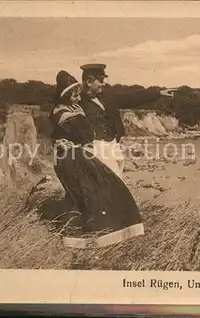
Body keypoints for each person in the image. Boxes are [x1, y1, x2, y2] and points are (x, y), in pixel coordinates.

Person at [49, 70, 145, 249]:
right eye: (75, 95)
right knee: (89, 193)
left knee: (92, 192)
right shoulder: (65, 113)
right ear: (68, 95)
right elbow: (83, 135)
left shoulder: (70, 110)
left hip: (78, 156)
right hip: (73, 158)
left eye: (78, 94)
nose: (78, 98)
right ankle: (96, 237)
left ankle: (105, 234)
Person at [78, 63, 176, 179]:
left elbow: (132, 98)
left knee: (118, 174)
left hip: (113, 143)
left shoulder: (107, 95)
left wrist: (157, 93)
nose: (103, 84)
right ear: (89, 82)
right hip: (97, 147)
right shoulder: (78, 101)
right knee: (111, 179)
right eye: (100, 80)